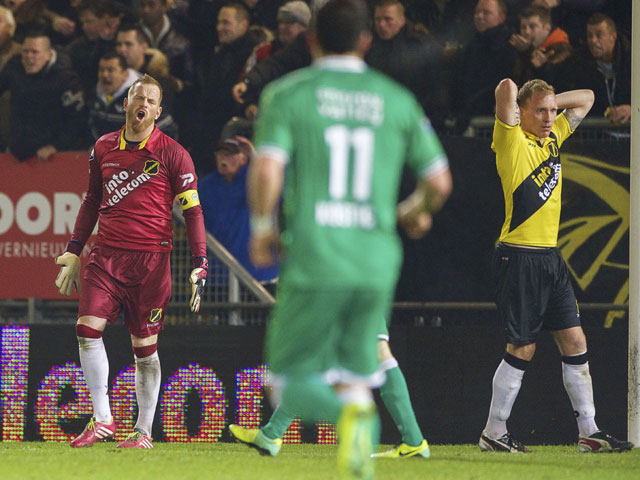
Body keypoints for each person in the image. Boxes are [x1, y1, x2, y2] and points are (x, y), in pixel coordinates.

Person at [245, 0, 452, 477]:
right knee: (362, 373)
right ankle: (361, 446)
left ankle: (347, 417)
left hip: (316, 252)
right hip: (377, 258)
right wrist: (411, 213)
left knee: (286, 381)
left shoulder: (288, 92)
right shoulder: (396, 98)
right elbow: (439, 183)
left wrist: (260, 229)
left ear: (312, 39)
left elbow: (268, 166)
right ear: (366, 41)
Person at [478, 77, 633, 453]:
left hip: (550, 256)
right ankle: (493, 431)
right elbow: (504, 86)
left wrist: (548, 101)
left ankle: (589, 432)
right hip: (520, 255)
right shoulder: (511, 140)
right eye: (541, 112)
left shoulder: (552, 138)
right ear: (522, 113)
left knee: (575, 340)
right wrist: (519, 107)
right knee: (523, 346)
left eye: (552, 111)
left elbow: (588, 97)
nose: (550, 117)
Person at [53, 74, 208, 449]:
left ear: (158, 110)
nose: (143, 103)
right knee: (86, 330)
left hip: (151, 263)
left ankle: (142, 431)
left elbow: (193, 212)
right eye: (137, 96)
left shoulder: (174, 153)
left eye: (151, 100)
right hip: (105, 257)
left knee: (145, 349)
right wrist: (75, 249)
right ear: (125, 103)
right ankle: (103, 419)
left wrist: (200, 261)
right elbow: (92, 200)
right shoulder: (103, 147)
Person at [229, 317, 432, 459]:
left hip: (340, 277)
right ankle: (414, 441)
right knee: (380, 351)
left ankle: (271, 435)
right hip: (368, 273)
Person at [199, 118, 279, 286]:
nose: (225, 158)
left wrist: (254, 155)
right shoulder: (205, 186)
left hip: (259, 274)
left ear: (243, 159)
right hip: (220, 277)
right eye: (221, 153)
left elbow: (273, 185)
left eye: (231, 154)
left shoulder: (253, 179)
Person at [0, 28, 85, 161]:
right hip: (16, 151)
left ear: (48, 55)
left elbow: (77, 119)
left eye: (35, 52)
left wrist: (56, 146)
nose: (29, 57)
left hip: (50, 156)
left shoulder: (65, 79)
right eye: (25, 51)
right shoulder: (14, 67)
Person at [449, 0, 516, 131]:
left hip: (488, 116)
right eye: (477, 12)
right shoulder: (470, 44)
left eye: (486, 13)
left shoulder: (508, 46)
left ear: (501, 17)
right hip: (468, 112)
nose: (479, 16)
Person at [559, 13, 630, 126]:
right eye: (589, 35)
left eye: (599, 35)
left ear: (613, 36)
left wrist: (633, 109)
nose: (593, 40)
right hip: (597, 135)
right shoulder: (579, 62)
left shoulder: (632, 58)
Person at [86, 50, 142, 142]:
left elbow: (164, 129)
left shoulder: (142, 98)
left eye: (110, 70)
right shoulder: (95, 94)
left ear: (124, 74)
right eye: (101, 70)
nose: (104, 75)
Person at [509, 5, 571, 85]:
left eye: (532, 26)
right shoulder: (524, 48)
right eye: (523, 27)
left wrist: (541, 67)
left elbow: (554, 85)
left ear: (547, 28)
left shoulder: (561, 51)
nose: (526, 32)